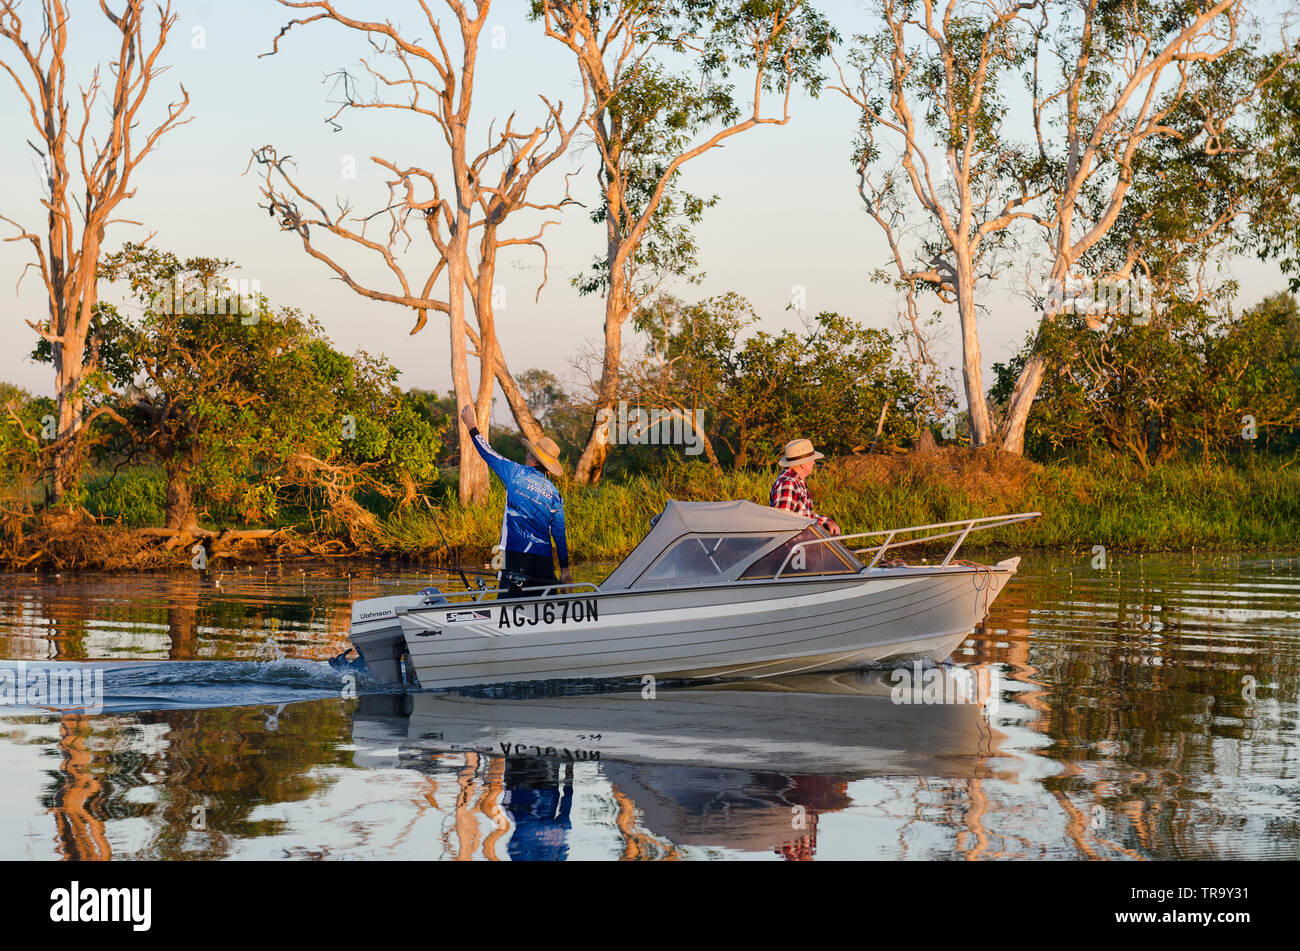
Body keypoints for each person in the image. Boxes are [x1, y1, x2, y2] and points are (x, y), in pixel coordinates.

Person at [460, 404, 572, 598]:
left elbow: (488, 452)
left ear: (535, 460)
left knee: (505, 606)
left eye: (529, 453)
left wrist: (471, 425)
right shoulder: (555, 494)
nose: (525, 454)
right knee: (549, 607)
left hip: (516, 557)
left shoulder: (515, 473)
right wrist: (565, 571)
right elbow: (560, 536)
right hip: (544, 564)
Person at [769, 438, 841, 536]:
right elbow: (783, 525)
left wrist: (827, 522)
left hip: (802, 543)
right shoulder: (788, 484)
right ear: (802, 464)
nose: (814, 462)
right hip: (796, 546)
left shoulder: (797, 480)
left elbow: (805, 514)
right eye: (811, 460)